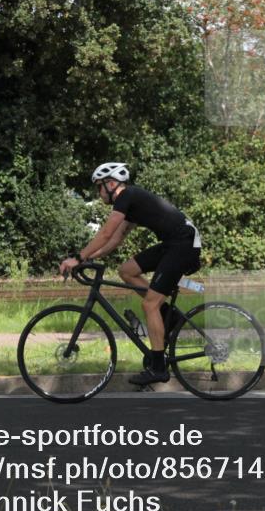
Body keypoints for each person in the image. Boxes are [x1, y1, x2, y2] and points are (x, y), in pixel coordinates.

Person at [59, 162, 202, 386]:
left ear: (112, 184)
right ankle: (169, 315)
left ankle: (158, 368)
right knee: (127, 271)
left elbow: (106, 232)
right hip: (174, 243)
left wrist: (78, 257)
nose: (99, 193)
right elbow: (115, 239)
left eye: (99, 187)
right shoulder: (131, 203)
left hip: (183, 245)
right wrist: (88, 258)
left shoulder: (127, 196)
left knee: (149, 305)